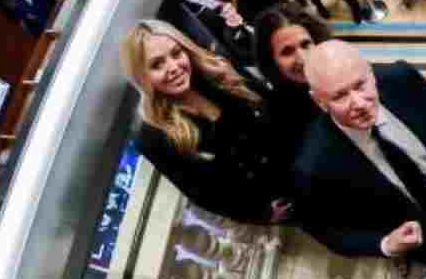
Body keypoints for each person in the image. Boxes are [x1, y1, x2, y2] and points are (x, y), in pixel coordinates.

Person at [292, 42, 426, 279]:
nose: (359, 103)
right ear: (319, 101)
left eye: (360, 85)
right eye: (340, 96)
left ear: (371, 73)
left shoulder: (403, 79)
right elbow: (325, 230)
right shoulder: (314, 166)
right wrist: (386, 244)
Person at [123, 20, 296, 225]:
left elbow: (269, 102)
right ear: (142, 76)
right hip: (279, 198)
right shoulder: (152, 136)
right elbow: (201, 192)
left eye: (176, 53)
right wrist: (260, 213)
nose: (173, 67)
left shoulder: (215, 72)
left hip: (299, 156)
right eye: (157, 64)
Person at [253, 8, 332, 172]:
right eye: (287, 51)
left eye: (305, 44)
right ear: (272, 62)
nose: (302, 58)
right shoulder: (277, 118)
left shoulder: (343, 71)